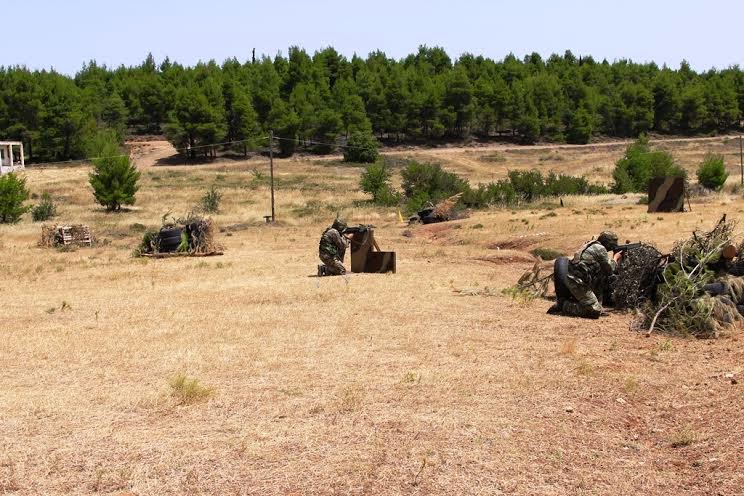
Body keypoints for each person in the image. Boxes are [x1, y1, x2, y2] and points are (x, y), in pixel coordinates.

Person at [548, 231, 623, 319]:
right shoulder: (600, 249)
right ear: (607, 242)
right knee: (594, 311)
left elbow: (605, 272)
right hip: (577, 282)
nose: (615, 245)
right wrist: (615, 258)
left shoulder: (594, 245)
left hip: (582, 280)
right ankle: (564, 305)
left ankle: (597, 305)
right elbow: (611, 269)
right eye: (613, 243)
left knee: (601, 274)